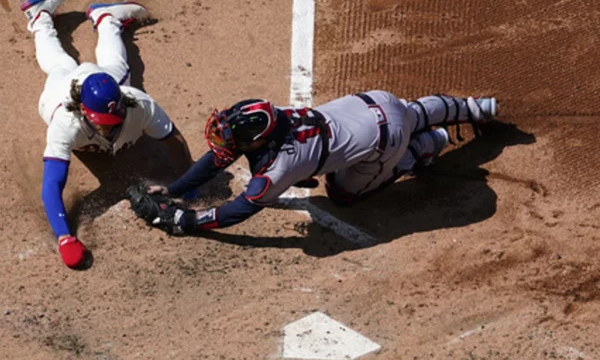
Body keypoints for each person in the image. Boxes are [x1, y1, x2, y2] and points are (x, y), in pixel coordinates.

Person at [135, 91, 497, 235]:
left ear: (259, 139)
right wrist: (175, 190)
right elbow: (217, 160)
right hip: (378, 101)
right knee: (410, 111)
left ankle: (425, 147)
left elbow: (239, 209)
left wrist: (189, 221)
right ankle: (477, 107)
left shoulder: (279, 167)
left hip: (387, 141)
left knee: (340, 193)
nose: (226, 142)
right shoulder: (276, 118)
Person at [20, 0, 194, 268]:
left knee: (117, 69)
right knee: (59, 66)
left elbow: (174, 139)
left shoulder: (136, 103)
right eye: (103, 120)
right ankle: (42, 18)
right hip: (59, 92)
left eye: (115, 119)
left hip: (106, 86)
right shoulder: (65, 123)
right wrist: (65, 237)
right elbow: (52, 185)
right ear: (85, 112)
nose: (110, 124)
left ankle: (106, 18)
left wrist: (188, 180)